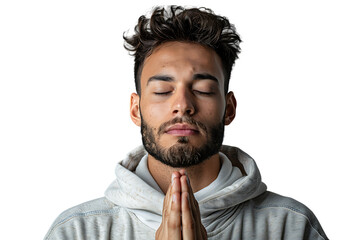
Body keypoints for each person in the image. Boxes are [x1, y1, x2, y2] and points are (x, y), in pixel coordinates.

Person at [44, 5, 328, 240]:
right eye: (162, 91)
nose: (183, 104)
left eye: (203, 90)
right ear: (135, 109)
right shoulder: (76, 232)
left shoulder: (290, 227)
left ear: (228, 109)